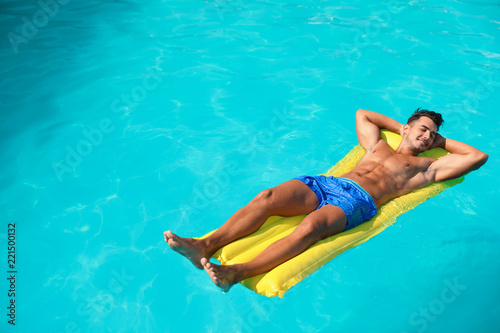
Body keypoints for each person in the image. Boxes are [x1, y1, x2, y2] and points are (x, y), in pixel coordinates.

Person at [164, 108, 488, 292]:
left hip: (359, 200)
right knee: (267, 197)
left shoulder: (427, 167)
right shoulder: (377, 145)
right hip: (328, 183)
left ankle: (236, 272)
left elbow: (478, 156)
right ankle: (204, 245)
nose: (427, 136)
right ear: (405, 127)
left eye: (432, 134)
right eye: (423, 129)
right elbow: (364, 115)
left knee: (310, 228)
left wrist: (438, 139)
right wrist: (405, 130)